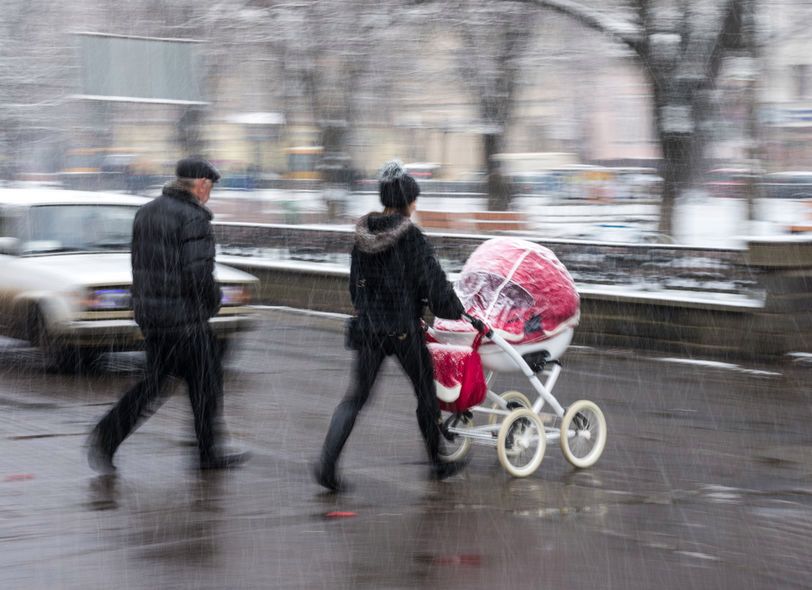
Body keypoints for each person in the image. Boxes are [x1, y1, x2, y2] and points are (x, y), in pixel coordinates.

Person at [87, 156, 249, 473]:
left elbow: (141, 264)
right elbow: (198, 272)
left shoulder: (147, 211)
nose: (210, 192)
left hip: (153, 315)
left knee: (160, 382)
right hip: (184, 319)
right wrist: (212, 300)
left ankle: (108, 435)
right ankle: (205, 453)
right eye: (211, 186)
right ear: (201, 184)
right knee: (205, 383)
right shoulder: (193, 218)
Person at [314, 160, 468, 492]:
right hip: (402, 329)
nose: (415, 206)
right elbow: (434, 283)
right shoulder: (411, 236)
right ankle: (438, 462)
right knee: (426, 393)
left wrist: (371, 309)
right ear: (408, 201)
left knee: (355, 398)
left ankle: (327, 464)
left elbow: (355, 286)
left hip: (369, 329)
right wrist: (454, 309)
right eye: (414, 200)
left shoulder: (363, 234)